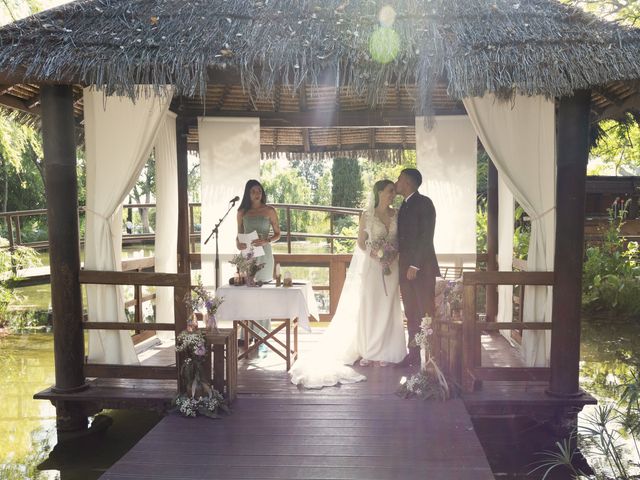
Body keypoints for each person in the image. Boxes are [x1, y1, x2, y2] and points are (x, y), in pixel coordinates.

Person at [289, 179, 407, 389]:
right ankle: (370, 350)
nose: (393, 195)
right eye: (390, 191)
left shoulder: (397, 214)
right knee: (371, 306)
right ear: (379, 192)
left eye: (393, 192)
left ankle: (387, 350)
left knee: (389, 306)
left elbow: (400, 240)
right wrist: (377, 255)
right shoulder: (367, 215)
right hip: (373, 267)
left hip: (393, 267)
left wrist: (391, 254)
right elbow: (361, 243)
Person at [395, 168, 440, 367]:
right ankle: (413, 356)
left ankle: (432, 357)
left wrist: (414, 264)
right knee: (411, 314)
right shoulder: (403, 206)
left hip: (421, 270)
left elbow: (425, 236)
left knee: (426, 314)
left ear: (407, 182)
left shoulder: (425, 203)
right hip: (404, 271)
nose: (396, 182)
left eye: (399, 179)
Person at [236, 179, 281, 354]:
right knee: (248, 293)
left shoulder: (269, 210)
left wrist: (267, 240)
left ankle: (263, 336)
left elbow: (278, 234)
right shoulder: (242, 212)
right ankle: (246, 333)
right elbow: (238, 236)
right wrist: (239, 244)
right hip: (248, 255)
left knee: (263, 293)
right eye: (254, 191)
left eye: (259, 191)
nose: (257, 193)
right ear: (248, 193)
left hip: (265, 255)